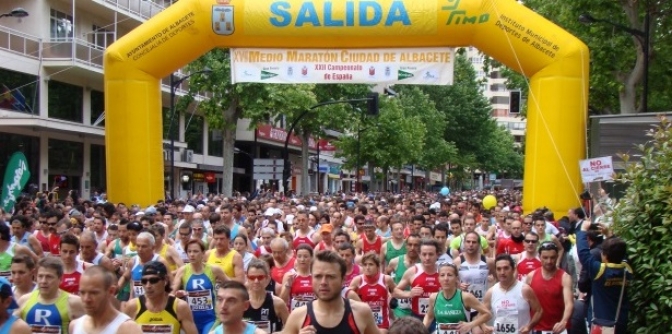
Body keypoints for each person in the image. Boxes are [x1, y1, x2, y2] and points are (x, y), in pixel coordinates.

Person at [283, 250, 379, 334]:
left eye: (331, 277)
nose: (323, 282)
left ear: (343, 280)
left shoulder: (361, 312)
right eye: (318, 276)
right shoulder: (298, 316)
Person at [578, 219, 632, 334]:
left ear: (605, 255)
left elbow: (583, 254)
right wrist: (610, 235)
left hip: (601, 324)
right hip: (620, 322)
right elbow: (622, 252)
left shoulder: (600, 271)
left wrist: (583, 231)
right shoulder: (626, 270)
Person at [123, 261, 197, 334]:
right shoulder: (132, 306)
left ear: (165, 280)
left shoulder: (180, 307)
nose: (148, 286)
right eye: (144, 281)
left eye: (153, 280)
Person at [172, 239, 229, 334]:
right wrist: (177, 295)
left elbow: (232, 286)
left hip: (211, 318)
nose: (192, 254)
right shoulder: (183, 270)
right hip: (189, 319)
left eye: (195, 251)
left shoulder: (214, 270)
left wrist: (223, 297)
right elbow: (172, 293)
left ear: (203, 253)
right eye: (189, 251)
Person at [16, 257, 85, 333]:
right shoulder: (24, 300)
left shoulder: (74, 302)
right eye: (40, 276)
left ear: (60, 279)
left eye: (49, 277)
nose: (44, 281)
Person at [69, 266, 143, 334]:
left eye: (94, 293)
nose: (86, 299)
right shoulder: (75, 326)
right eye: (82, 292)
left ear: (111, 291)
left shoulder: (127, 329)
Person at [422, 262, 491, 333]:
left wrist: (470, 324)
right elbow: (429, 317)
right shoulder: (434, 297)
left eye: (450, 275)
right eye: (442, 275)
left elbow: (487, 314)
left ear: (456, 278)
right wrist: (420, 330)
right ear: (438, 278)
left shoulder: (465, 297)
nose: (446, 279)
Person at [483, 254, 543, 334]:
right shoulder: (491, 292)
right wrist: (484, 326)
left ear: (513, 269)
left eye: (506, 268)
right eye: (499, 269)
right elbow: (480, 314)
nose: (502, 272)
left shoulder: (525, 290)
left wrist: (529, 326)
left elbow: (539, 311)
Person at [525, 241, 574, 334]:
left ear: (557, 257)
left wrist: (563, 321)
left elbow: (569, 303)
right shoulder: (531, 276)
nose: (549, 261)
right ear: (539, 257)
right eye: (545, 257)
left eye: (552, 258)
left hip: (558, 329)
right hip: (537, 328)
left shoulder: (565, 277)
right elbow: (525, 303)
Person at [392, 239, 441, 332]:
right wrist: (409, 294)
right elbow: (395, 292)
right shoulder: (413, 271)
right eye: (424, 254)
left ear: (437, 255)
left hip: (439, 317)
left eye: (431, 254)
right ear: (419, 255)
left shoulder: (443, 272)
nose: (427, 258)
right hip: (417, 317)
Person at [348, 253, 395, 332]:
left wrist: (409, 294)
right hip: (364, 321)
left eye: (371, 264)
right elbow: (346, 295)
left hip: (382, 323)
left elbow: (396, 292)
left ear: (377, 266)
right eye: (365, 265)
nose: (367, 267)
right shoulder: (358, 280)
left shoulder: (386, 279)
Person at [243, 259, 289, 333]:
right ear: (247, 278)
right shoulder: (240, 302)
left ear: (267, 278)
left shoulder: (277, 303)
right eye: (252, 277)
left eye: (260, 277)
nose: (256, 281)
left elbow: (291, 328)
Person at [119, 232, 169, 298]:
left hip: (155, 303)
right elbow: (125, 277)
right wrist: (117, 288)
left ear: (153, 247)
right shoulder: (133, 261)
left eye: (144, 246)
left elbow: (170, 282)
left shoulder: (160, 261)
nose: (140, 249)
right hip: (137, 303)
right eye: (138, 246)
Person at [386, 233, 420, 320]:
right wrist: (390, 293)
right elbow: (386, 278)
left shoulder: (424, 264)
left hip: (418, 307)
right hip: (400, 307)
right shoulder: (395, 262)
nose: (412, 248)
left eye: (416, 245)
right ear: (406, 246)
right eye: (410, 244)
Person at [280, 245, 315, 311]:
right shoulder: (290, 275)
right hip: (295, 313)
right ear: (296, 257)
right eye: (299, 256)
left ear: (311, 258)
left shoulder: (315, 276)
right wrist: (288, 285)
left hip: (312, 313)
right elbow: (282, 300)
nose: (302, 259)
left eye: (305, 256)